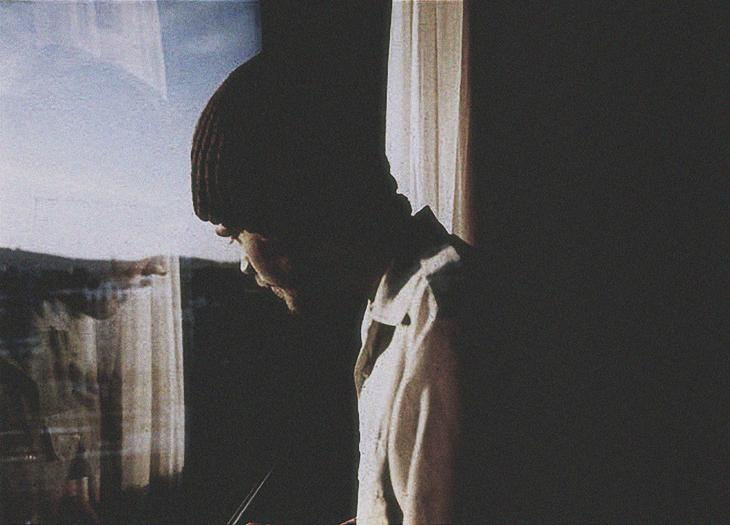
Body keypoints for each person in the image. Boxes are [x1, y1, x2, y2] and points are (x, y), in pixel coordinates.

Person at [190, 51, 490, 523]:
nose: (245, 266)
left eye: (235, 235)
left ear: (288, 214)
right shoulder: (392, 307)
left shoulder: (438, 324)